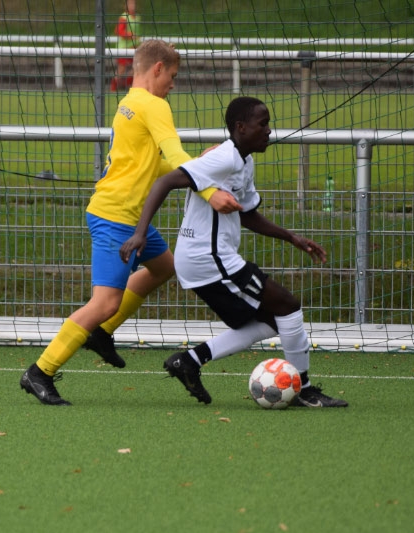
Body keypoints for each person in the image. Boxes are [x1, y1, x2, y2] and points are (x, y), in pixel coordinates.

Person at [20, 40, 242, 406]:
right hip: (116, 217)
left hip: (124, 214)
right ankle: (40, 371)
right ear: (157, 68)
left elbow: (159, 164)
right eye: (172, 76)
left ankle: (101, 333)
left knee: (164, 266)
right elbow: (173, 154)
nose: (173, 84)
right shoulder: (154, 105)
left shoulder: (129, 102)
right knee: (105, 302)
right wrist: (210, 191)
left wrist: (197, 164)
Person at [120, 96, 348, 408]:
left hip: (211, 258)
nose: (269, 131)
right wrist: (139, 233)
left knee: (274, 320)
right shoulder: (223, 158)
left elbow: (247, 214)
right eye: (262, 124)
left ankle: (189, 361)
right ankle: (304, 390)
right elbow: (165, 181)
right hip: (208, 258)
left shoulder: (244, 162)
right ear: (241, 127)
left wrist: (292, 237)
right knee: (288, 305)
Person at [111, 0, 140, 92]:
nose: (132, 5)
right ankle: (114, 88)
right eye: (130, 4)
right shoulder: (123, 17)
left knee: (137, 67)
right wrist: (130, 35)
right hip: (124, 48)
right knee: (121, 69)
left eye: (133, 3)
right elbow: (118, 31)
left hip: (134, 48)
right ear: (126, 5)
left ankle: (125, 84)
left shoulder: (137, 17)